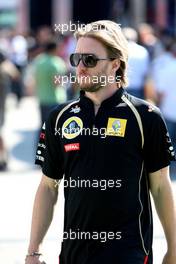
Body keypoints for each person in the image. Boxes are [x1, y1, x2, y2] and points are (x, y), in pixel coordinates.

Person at [25, 20, 176, 264]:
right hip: (74, 256)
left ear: (116, 64)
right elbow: (47, 187)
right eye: (76, 59)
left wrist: (173, 248)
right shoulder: (59, 117)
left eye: (90, 60)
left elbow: (160, 187)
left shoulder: (145, 116)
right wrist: (34, 251)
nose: (81, 67)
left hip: (130, 254)